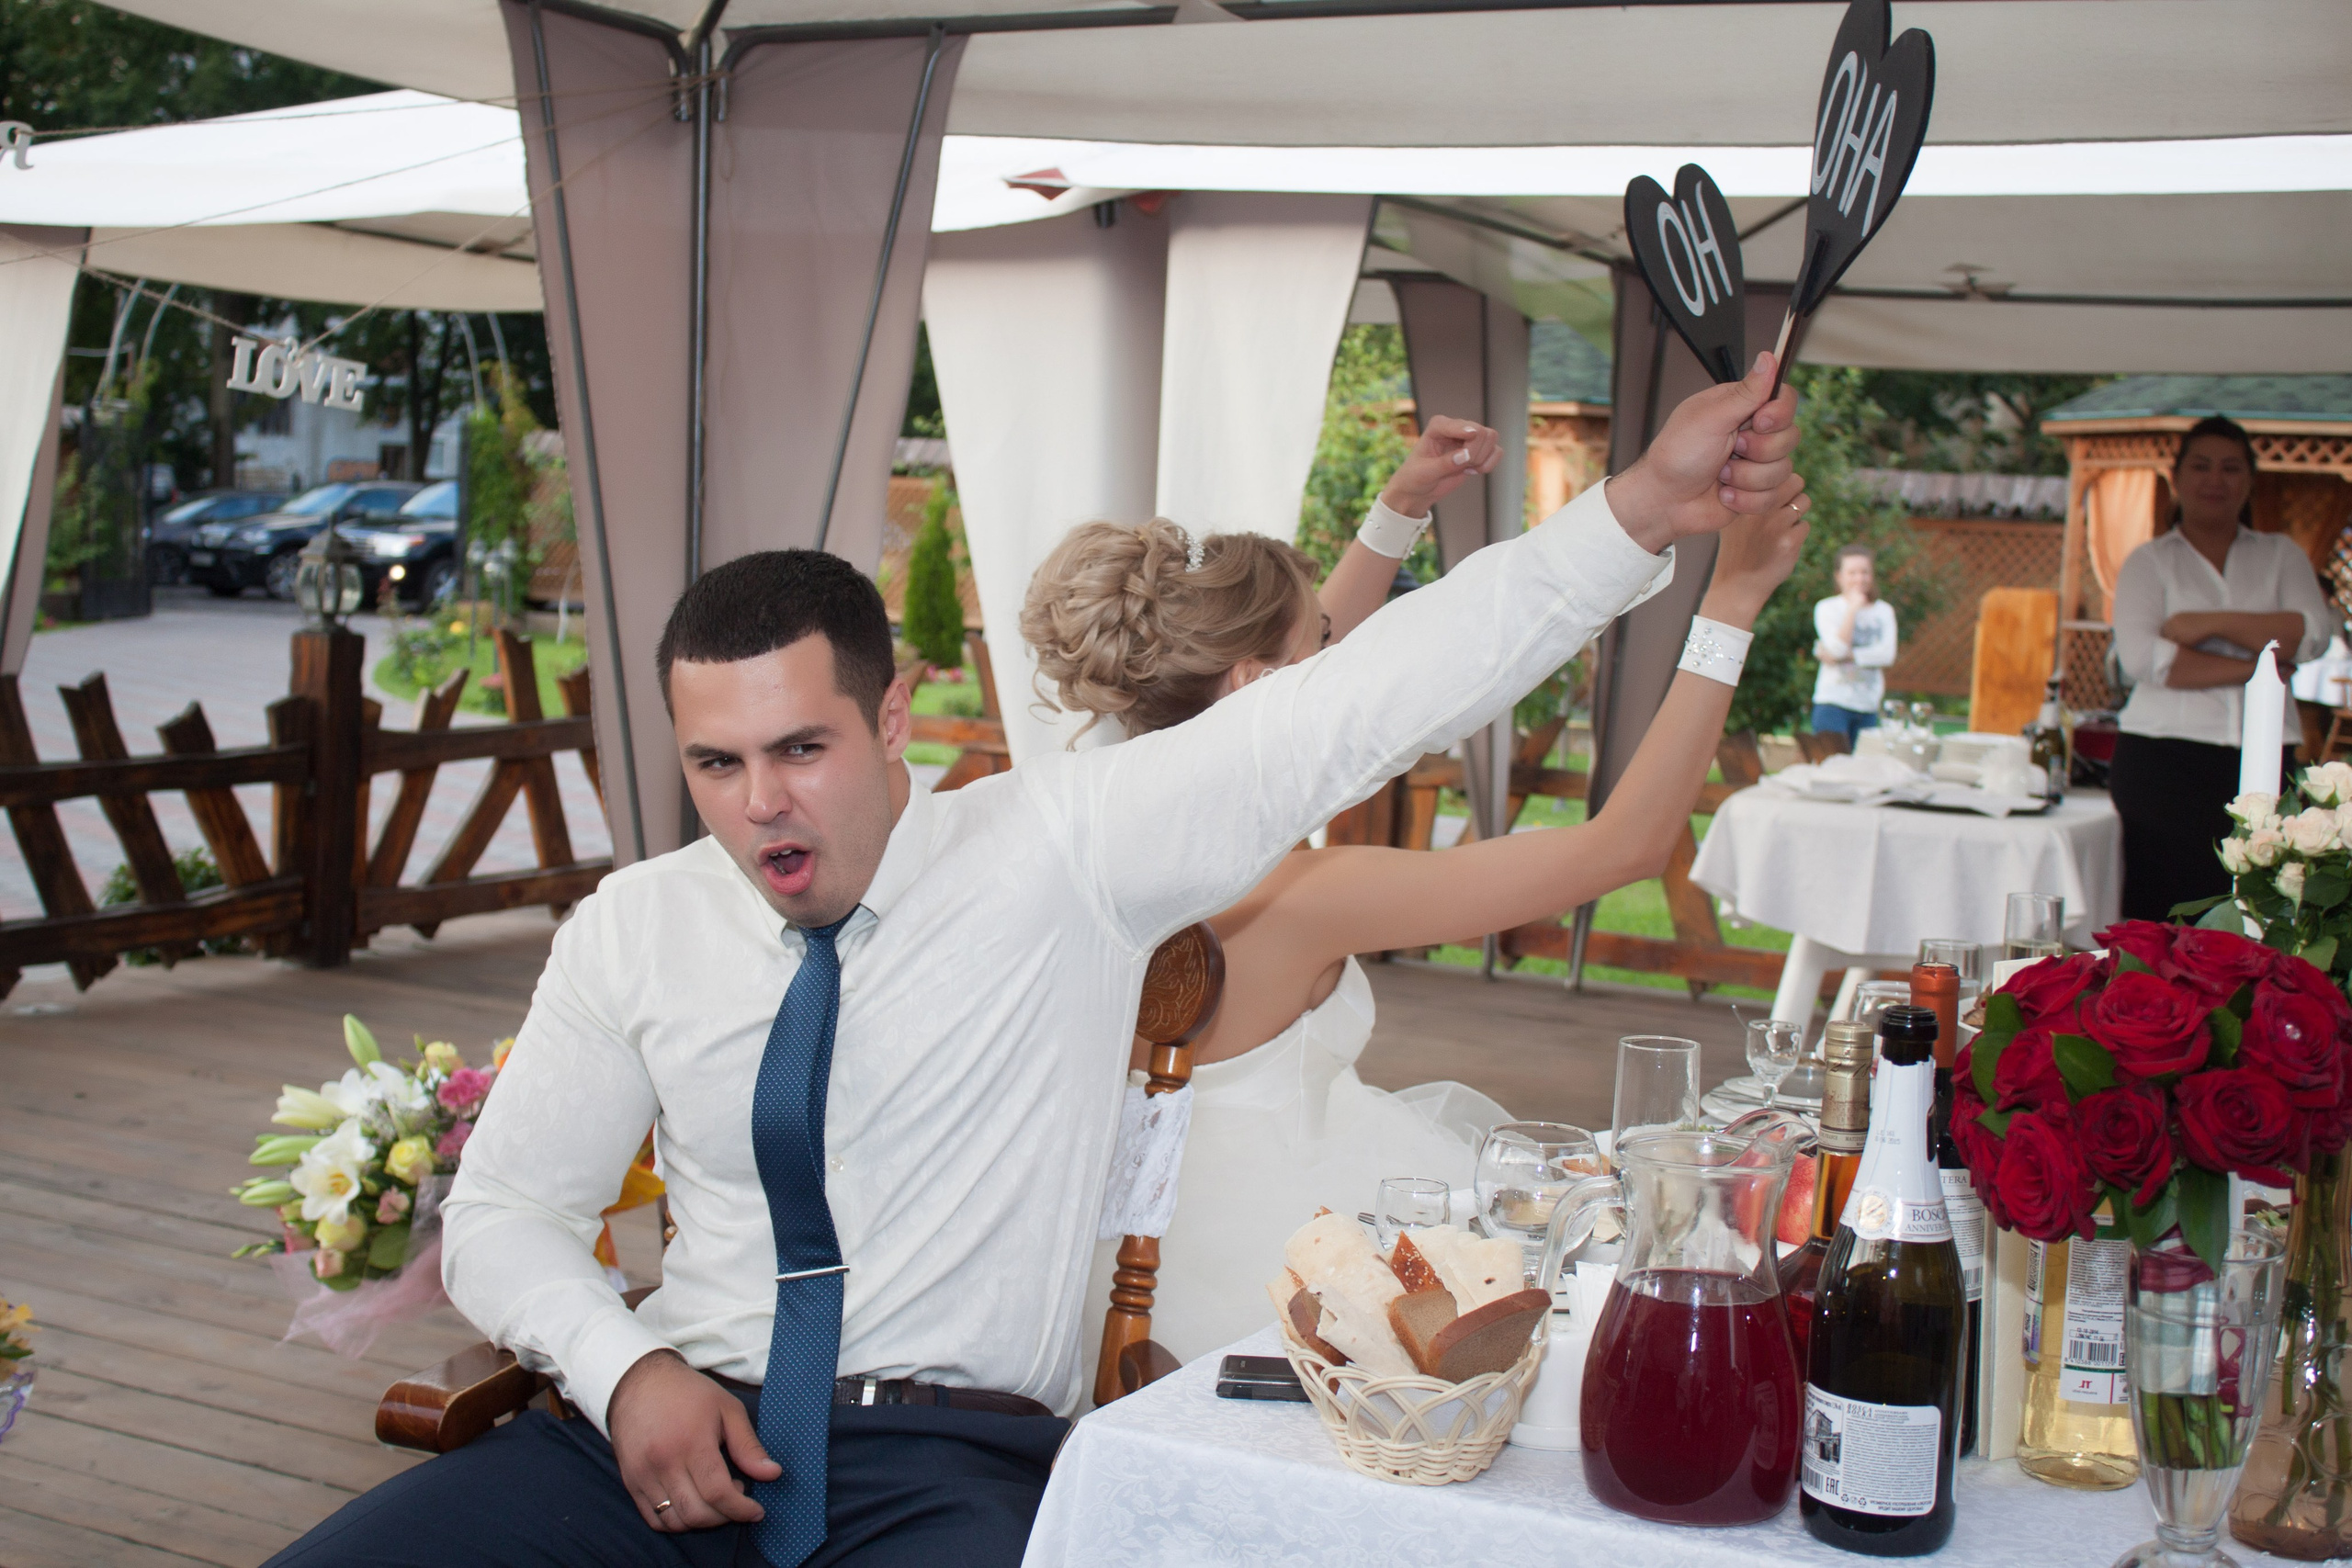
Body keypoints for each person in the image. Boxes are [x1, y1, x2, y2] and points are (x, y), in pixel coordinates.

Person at [262, 352, 1805, 1568]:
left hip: (945, 1464)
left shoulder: (1066, 850)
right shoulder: (638, 925)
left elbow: (1347, 703)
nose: (763, 803)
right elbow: (510, 1214)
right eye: (717, 763)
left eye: (801, 748)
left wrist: (1641, 514)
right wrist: (622, 1372)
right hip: (652, 1430)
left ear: (893, 716)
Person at [1026, 423, 1809, 1364]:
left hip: (1123, 1259)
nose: (1342, 664)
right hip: (1282, 1280)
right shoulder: (1310, 896)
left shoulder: (1101, 842)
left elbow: (1297, 685)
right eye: (1320, 647)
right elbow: (1626, 845)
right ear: (1259, 686)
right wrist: (1731, 602)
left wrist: (1397, 513)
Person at [2109, 415, 2334, 919]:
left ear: (2251, 481)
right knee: (2163, 917)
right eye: (2202, 466)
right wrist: (2263, 664)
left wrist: (2201, 623)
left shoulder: (2282, 555)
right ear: (2178, 478)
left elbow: (2311, 634)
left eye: (2232, 468)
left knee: (2259, 914)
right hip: (2161, 763)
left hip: (2266, 761)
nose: (2216, 480)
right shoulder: (2149, 562)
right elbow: (2146, 659)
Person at [1809, 543, 1896, 742]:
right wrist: (1853, 609)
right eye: (1852, 573)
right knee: (1831, 767)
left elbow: (1887, 655)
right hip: (1832, 703)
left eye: (1864, 572)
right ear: (1839, 576)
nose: (1859, 578)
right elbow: (1838, 649)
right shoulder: (1827, 608)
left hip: (1868, 706)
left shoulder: (1884, 611)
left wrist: (1848, 655)